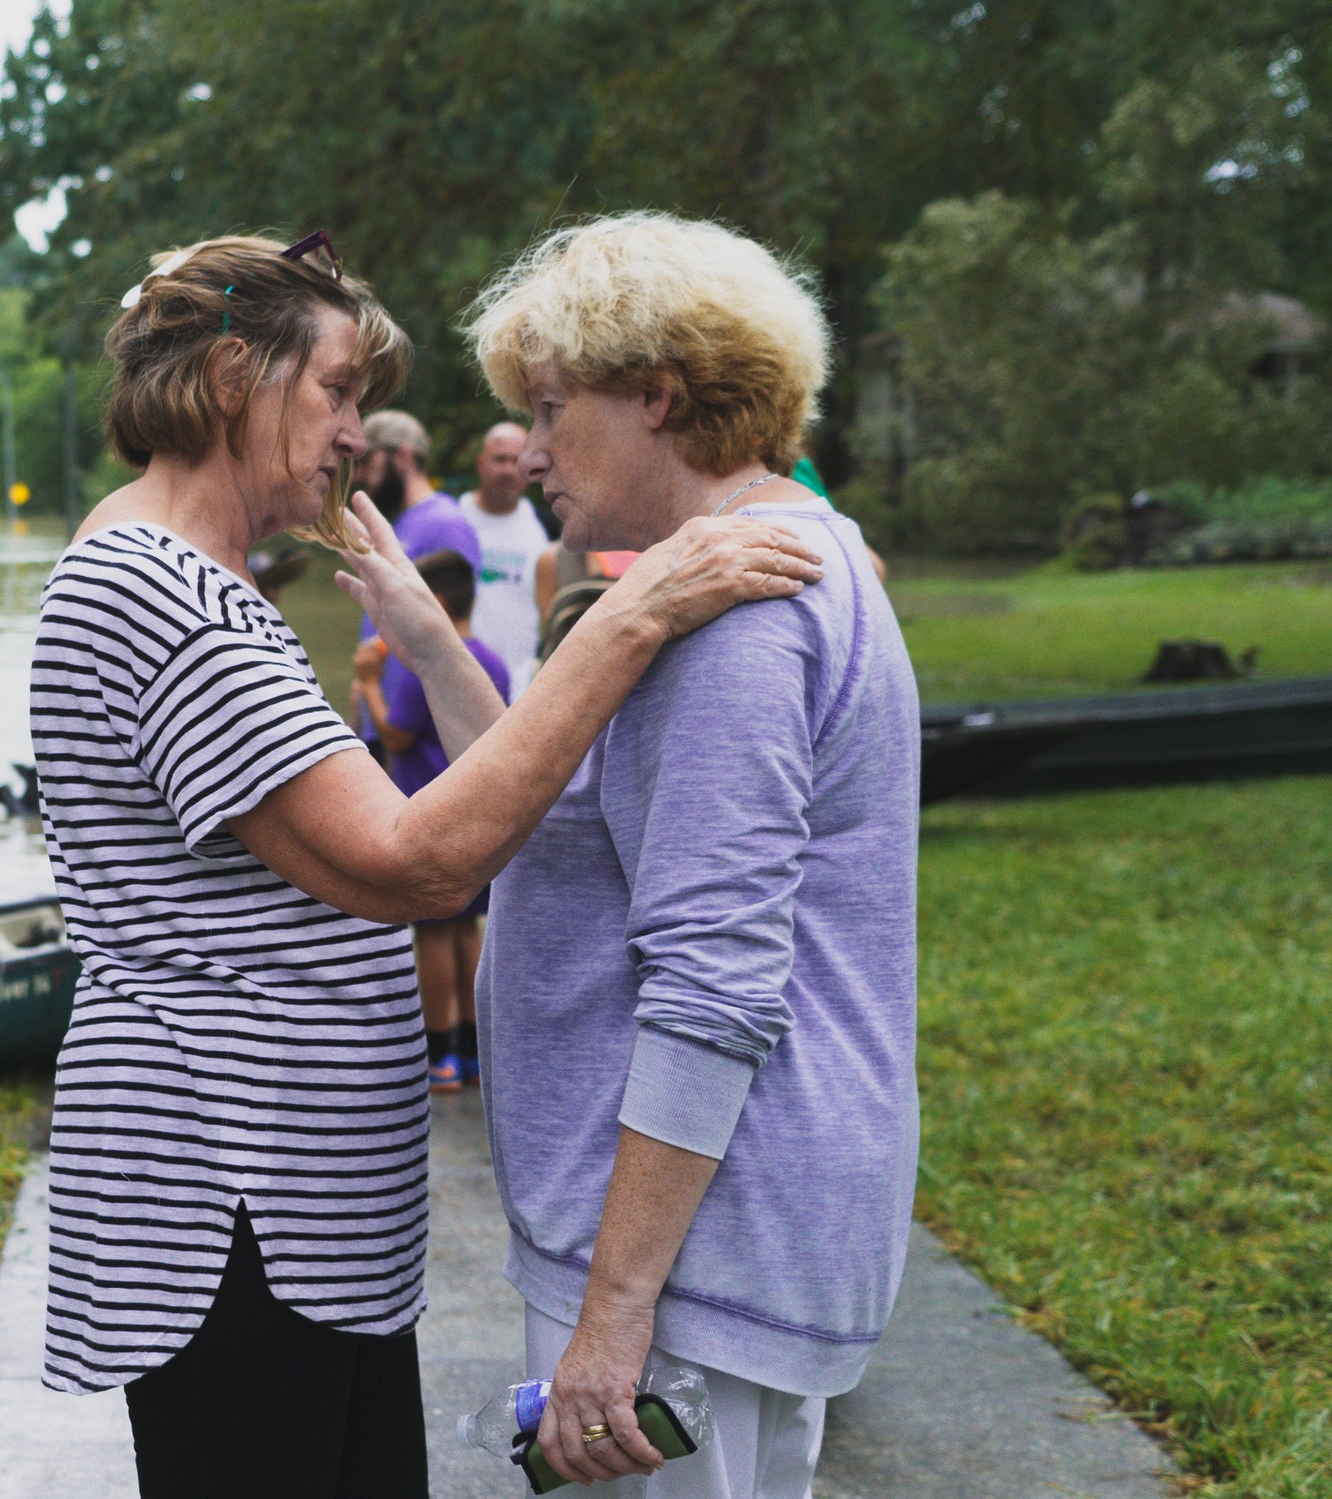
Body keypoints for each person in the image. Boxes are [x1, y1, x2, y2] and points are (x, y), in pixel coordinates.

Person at [28, 228, 821, 1499]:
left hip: (295, 1205)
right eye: (339, 391)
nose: (358, 434)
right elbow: (418, 863)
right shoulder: (155, 591)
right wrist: (635, 610)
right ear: (236, 374)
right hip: (231, 1207)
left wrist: (421, 631)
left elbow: (468, 816)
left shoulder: (205, 579)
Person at [354, 209, 919, 1497]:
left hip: (688, 1264)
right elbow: (553, 812)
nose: (535, 450)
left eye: (552, 408)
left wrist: (615, 1318)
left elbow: (717, 985)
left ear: (658, 396)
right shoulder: (775, 559)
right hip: (713, 1241)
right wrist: (426, 636)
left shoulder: (734, 616)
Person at [349, 551, 508, 1094]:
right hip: (483, 816)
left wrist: (368, 681)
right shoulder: (495, 659)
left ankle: (438, 1050)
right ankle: (473, 1049)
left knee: (434, 936)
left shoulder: (427, 668)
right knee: (468, 930)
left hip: (433, 811)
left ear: (435, 604)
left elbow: (395, 736)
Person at [354, 409, 478, 641]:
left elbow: (454, 630)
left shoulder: (445, 524)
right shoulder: (402, 521)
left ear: (402, 457)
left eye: (367, 461)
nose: (357, 476)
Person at [457, 422, 552, 679]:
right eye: (500, 460)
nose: (508, 471)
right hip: (459, 676)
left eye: (516, 461)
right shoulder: (454, 521)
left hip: (521, 684)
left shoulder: (546, 529)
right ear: (480, 464)